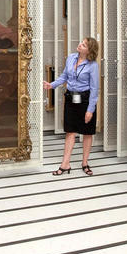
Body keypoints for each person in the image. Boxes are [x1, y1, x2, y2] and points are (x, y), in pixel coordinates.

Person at [43, 37, 100, 176]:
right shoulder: (71, 58)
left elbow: (94, 89)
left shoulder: (92, 65)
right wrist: (52, 85)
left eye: (84, 45)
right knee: (70, 131)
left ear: (89, 51)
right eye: (81, 42)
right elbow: (64, 77)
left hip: (86, 101)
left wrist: (90, 110)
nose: (80, 44)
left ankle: (85, 163)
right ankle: (65, 164)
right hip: (71, 99)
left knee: (87, 132)